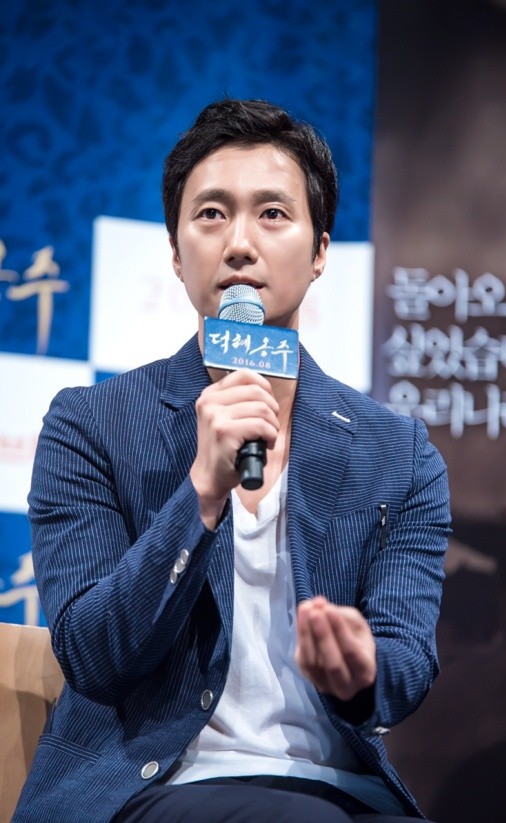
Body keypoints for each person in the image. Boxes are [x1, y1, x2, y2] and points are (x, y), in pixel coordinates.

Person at [12, 99, 451, 823]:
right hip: (150, 787)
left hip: (340, 790)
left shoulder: (398, 453)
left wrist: (363, 669)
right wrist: (201, 493)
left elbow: (406, 665)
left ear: (320, 253)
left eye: (272, 214)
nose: (240, 244)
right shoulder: (90, 425)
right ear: (176, 252)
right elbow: (92, 655)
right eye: (212, 214)